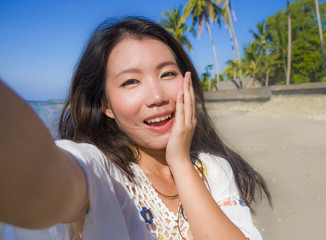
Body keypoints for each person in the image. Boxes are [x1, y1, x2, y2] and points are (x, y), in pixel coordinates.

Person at [0, 17, 271, 240]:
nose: (157, 97)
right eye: (131, 82)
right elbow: (37, 178)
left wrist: (180, 162)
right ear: (106, 105)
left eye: (167, 74)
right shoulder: (102, 174)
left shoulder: (212, 168)